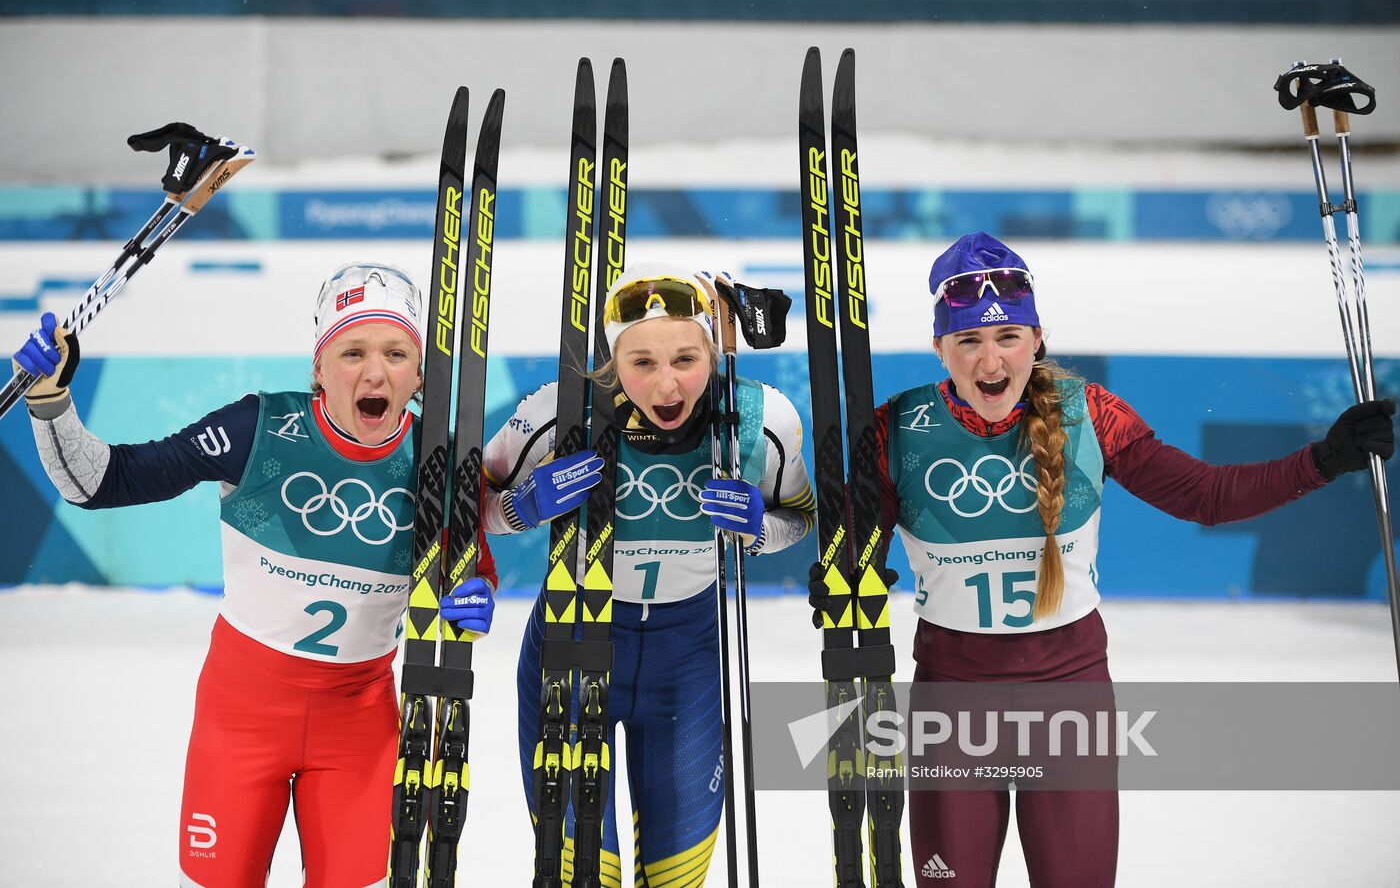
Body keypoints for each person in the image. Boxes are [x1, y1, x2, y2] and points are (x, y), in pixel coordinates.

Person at [807, 232, 1395, 888]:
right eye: (968, 340)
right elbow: (856, 553)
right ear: (940, 348)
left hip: (1069, 696)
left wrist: (1325, 459)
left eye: (1007, 338)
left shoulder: (1092, 416)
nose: (990, 360)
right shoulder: (896, 429)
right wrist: (843, 560)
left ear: (1036, 339)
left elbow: (1205, 496)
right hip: (954, 700)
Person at [12, 262, 499, 888]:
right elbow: (102, 481)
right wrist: (50, 401)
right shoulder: (258, 427)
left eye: (396, 353)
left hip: (360, 719)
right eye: (352, 351)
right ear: (318, 368)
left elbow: (472, 574)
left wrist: (474, 601)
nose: (375, 372)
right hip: (241, 712)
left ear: (420, 374)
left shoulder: (440, 457)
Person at [481, 262, 816, 883]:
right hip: (573, 641)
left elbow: (798, 517)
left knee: (676, 876)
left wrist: (758, 528)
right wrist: (518, 506)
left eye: (686, 359)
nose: (667, 385)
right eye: (642, 363)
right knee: (585, 875)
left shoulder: (760, 419)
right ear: (613, 360)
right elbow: (468, 507)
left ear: (713, 353)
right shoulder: (562, 409)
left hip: (689, 656)